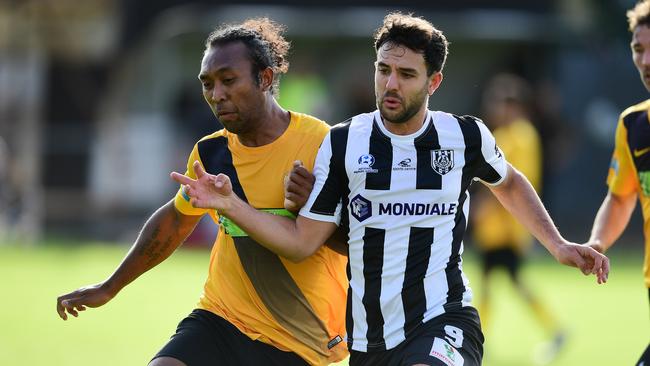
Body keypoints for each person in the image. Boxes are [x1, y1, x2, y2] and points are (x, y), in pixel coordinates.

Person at [173, 12, 610, 366]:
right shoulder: (343, 143)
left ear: (433, 82)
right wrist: (230, 204)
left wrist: (556, 245)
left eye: (406, 74)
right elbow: (301, 242)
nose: (391, 84)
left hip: (444, 317)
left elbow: (509, 182)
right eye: (383, 70)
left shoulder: (465, 136)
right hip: (369, 340)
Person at [56, 18, 349, 366]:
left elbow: (361, 242)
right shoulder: (211, 154)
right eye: (207, 83)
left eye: (228, 80)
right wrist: (110, 286)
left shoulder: (325, 146)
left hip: (300, 338)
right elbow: (176, 221)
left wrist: (315, 207)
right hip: (220, 319)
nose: (216, 94)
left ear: (265, 79)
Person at [470, 73, 565, 363]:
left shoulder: (520, 136)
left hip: (507, 230)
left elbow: (508, 184)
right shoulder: (506, 134)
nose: (498, 110)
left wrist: (483, 209)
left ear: (515, 106)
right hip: (496, 230)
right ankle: (481, 337)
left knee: (505, 283)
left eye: (502, 104)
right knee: (494, 283)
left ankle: (554, 329)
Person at [586, 1, 650, 364]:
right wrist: (598, 242)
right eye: (639, 49)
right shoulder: (633, 126)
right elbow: (622, 197)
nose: (646, 61)